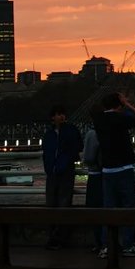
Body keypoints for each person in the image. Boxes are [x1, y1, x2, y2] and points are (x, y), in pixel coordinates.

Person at [94, 91, 135, 258]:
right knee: (128, 208)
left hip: (107, 170)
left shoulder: (99, 119)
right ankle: (128, 245)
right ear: (118, 105)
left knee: (108, 209)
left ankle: (106, 246)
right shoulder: (121, 118)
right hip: (124, 168)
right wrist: (127, 104)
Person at [41, 103, 83, 249]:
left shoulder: (71, 130)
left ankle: (59, 239)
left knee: (64, 205)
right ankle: (53, 237)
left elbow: (79, 146)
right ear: (53, 117)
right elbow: (46, 153)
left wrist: (67, 160)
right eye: (58, 114)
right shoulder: (49, 134)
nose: (62, 116)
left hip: (65, 172)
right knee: (51, 205)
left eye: (63, 113)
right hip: (52, 173)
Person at [81, 115, 105, 253]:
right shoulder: (108, 131)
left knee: (94, 209)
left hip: (95, 175)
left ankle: (99, 242)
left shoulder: (92, 133)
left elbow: (88, 157)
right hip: (107, 174)